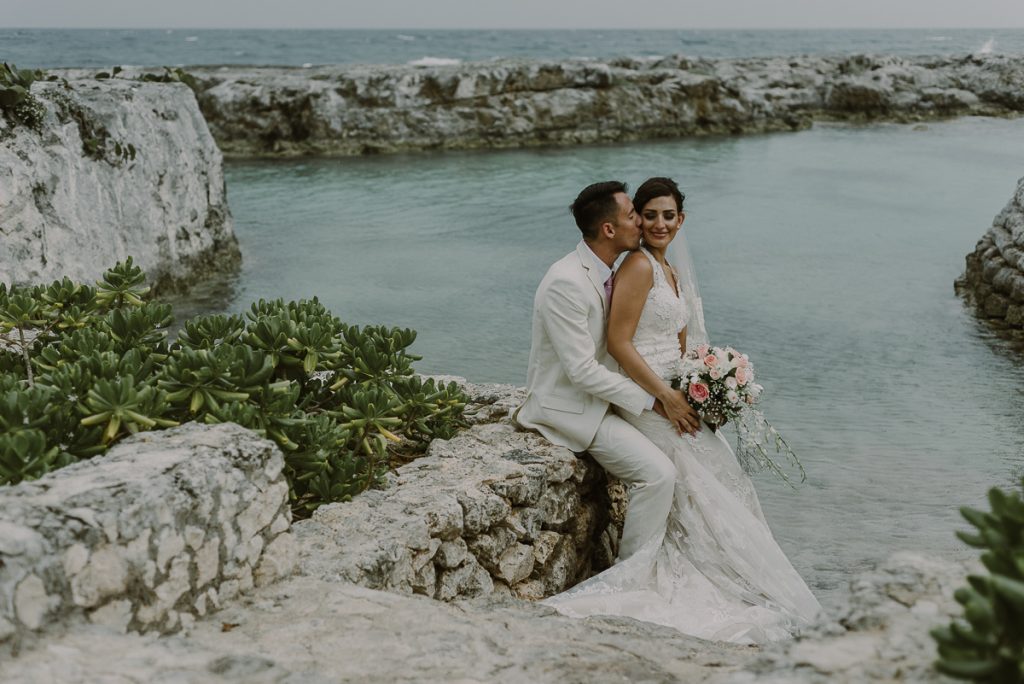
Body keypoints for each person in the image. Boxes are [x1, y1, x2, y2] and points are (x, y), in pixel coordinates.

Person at [543, 177, 822, 643]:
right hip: (647, 395)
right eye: (644, 214)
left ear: (681, 220)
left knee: (727, 476)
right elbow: (618, 342)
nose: (653, 223)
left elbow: (682, 343)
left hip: (672, 393)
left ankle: (733, 574)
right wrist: (666, 397)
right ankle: (645, 575)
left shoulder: (668, 269)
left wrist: (707, 388)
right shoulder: (636, 267)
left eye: (665, 215)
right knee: (692, 477)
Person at [513, 181, 701, 561]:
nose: (643, 224)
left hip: (609, 400)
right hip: (574, 407)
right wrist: (655, 400)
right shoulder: (565, 282)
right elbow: (582, 371)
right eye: (634, 215)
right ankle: (631, 574)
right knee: (658, 475)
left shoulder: (609, 269)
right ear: (609, 229)